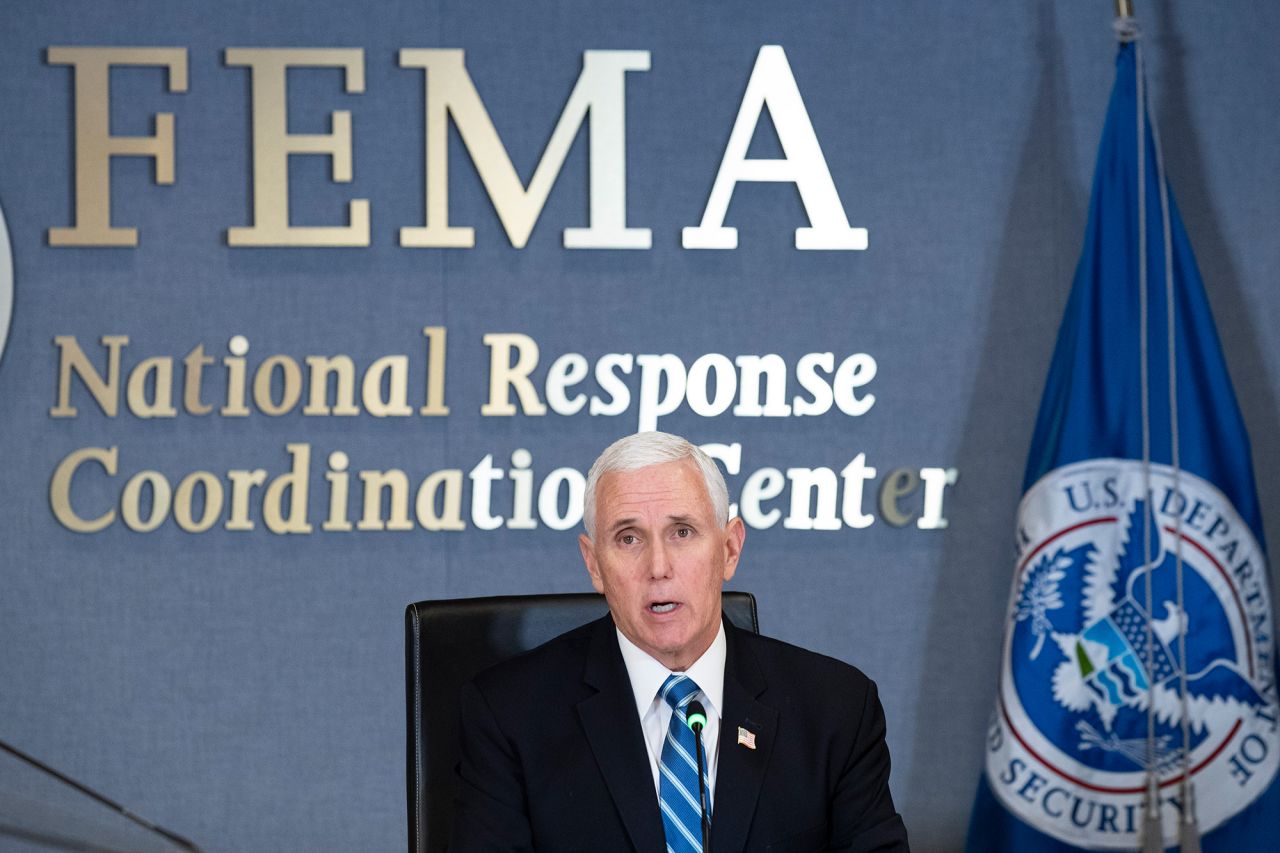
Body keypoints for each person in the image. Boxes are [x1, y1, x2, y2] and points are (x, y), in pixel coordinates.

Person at [450, 431, 910, 852]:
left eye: (682, 532)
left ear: (730, 549)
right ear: (594, 564)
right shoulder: (509, 716)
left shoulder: (836, 709)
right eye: (629, 538)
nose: (658, 567)